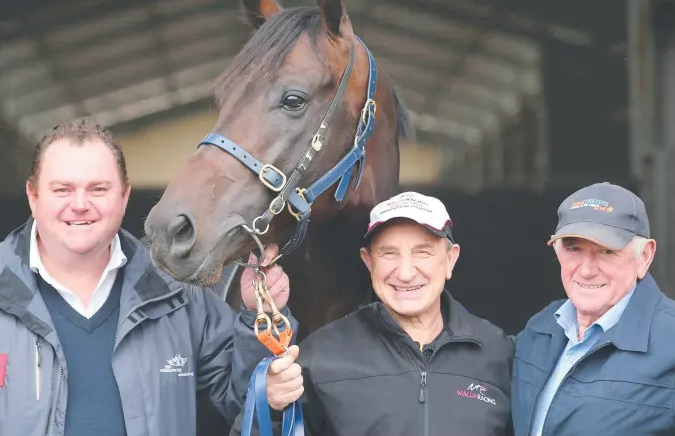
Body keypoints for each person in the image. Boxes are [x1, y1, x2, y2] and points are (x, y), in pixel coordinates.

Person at [0, 117, 295, 436]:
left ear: (124, 196)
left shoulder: (175, 295)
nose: (80, 205)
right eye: (62, 189)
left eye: (98, 189)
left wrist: (259, 318)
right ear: (33, 196)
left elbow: (245, 402)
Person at [231, 191, 515, 436]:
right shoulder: (320, 357)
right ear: (368, 263)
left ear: (450, 259)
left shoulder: (499, 353)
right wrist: (269, 406)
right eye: (389, 253)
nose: (405, 272)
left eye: (423, 252)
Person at [511, 181, 675, 436]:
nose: (586, 271)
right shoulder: (538, 330)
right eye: (573, 248)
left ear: (644, 257)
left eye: (607, 251)